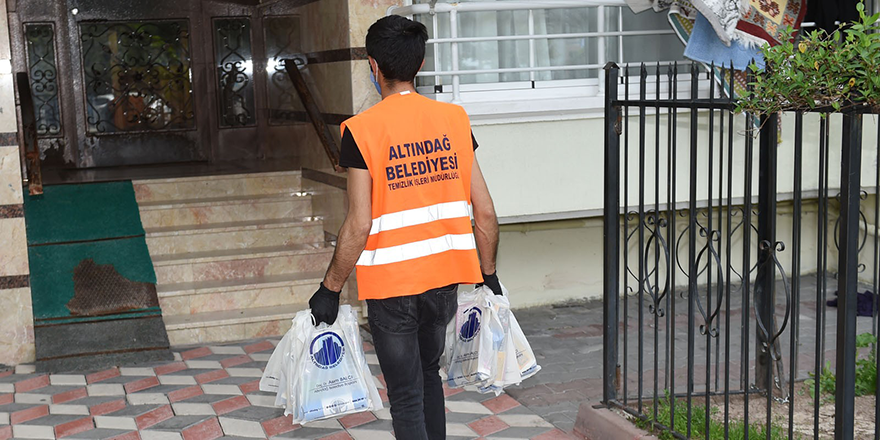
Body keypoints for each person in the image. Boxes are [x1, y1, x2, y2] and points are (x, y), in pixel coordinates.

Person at [306, 14, 503, 440]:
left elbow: (359, 222)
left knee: (406, 393)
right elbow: (484, 212)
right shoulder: (454, 120)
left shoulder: (361, 131)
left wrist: (330, 288)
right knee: (429, 376)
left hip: (392, 286)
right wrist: (488, 275)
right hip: (443, 281)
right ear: (420, 62)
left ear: (373, 66)